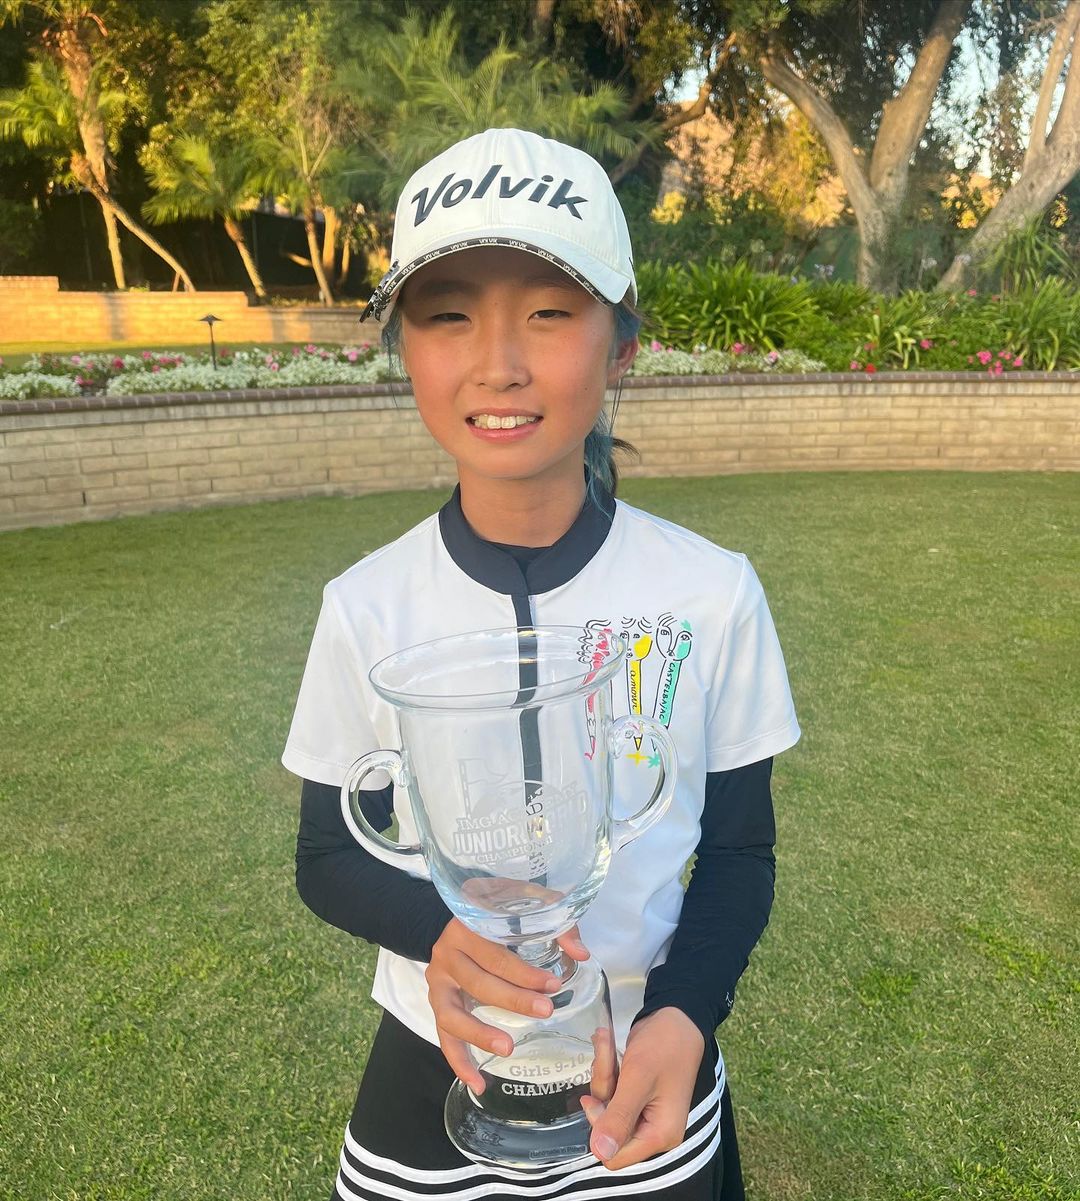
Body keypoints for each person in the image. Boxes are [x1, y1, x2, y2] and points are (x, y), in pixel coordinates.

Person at [282, 127, 801, 1201]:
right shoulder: (367, 606)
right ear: (405, 348)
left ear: (621, 346)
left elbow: (739, 851)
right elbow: (328, 854)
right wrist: (437, 933)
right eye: (448, 314)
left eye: (551, 312)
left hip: (642, 1065)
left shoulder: (710, 593)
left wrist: (685, 1015)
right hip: (437, 1054)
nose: (498, 363)